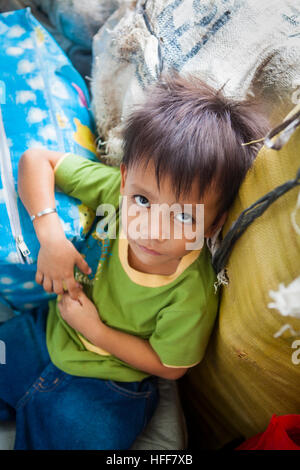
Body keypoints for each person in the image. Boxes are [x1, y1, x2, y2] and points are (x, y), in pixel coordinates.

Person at [0, 73, 269, 449]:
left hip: (109, 387)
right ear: (126, 180)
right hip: (47, 331)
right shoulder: (114, 192)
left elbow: (171, 367)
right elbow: (35, 160)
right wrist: (51, 238)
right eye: (143, 201)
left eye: (184, 216)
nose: (152, 229)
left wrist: (95, 331)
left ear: (215, 224)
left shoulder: (191, 292)